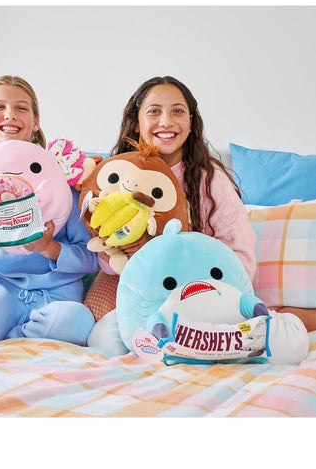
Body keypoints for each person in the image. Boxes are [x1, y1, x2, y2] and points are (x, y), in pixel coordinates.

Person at [86, 75, 260, 354]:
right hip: (138, 291)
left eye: (177, 111)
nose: (166, 121)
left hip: (199, 292)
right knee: (105, 339)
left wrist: (221, 297)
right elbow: (102, 248)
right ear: (136, 121)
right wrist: (126, 253)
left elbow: (239, 247)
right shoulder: (117, 174)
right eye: (154, 111)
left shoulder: (209, 179)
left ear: (191, 122)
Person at [0, 75, 99, 346]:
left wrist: (49, 248)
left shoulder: (61, 181)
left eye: (21, 108)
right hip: (1, 291)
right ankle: (13, 331)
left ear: (36, 121)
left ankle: (12, 337)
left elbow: (93, 258)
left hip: (57, 293)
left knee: (77, 323)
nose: (10, 115)